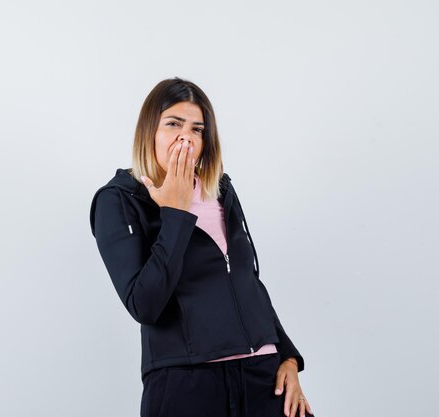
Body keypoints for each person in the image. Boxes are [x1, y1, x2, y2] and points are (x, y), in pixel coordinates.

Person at [89, 77, 315, 417]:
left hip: (264, 380)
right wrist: (176, 213)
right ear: (148, 130)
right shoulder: (119, 200)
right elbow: (144, 304)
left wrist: (288, 356)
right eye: (173, 124)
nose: (186, 137)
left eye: (197, 129)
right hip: (187, 382)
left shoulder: (220, 189)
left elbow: (247, 281)